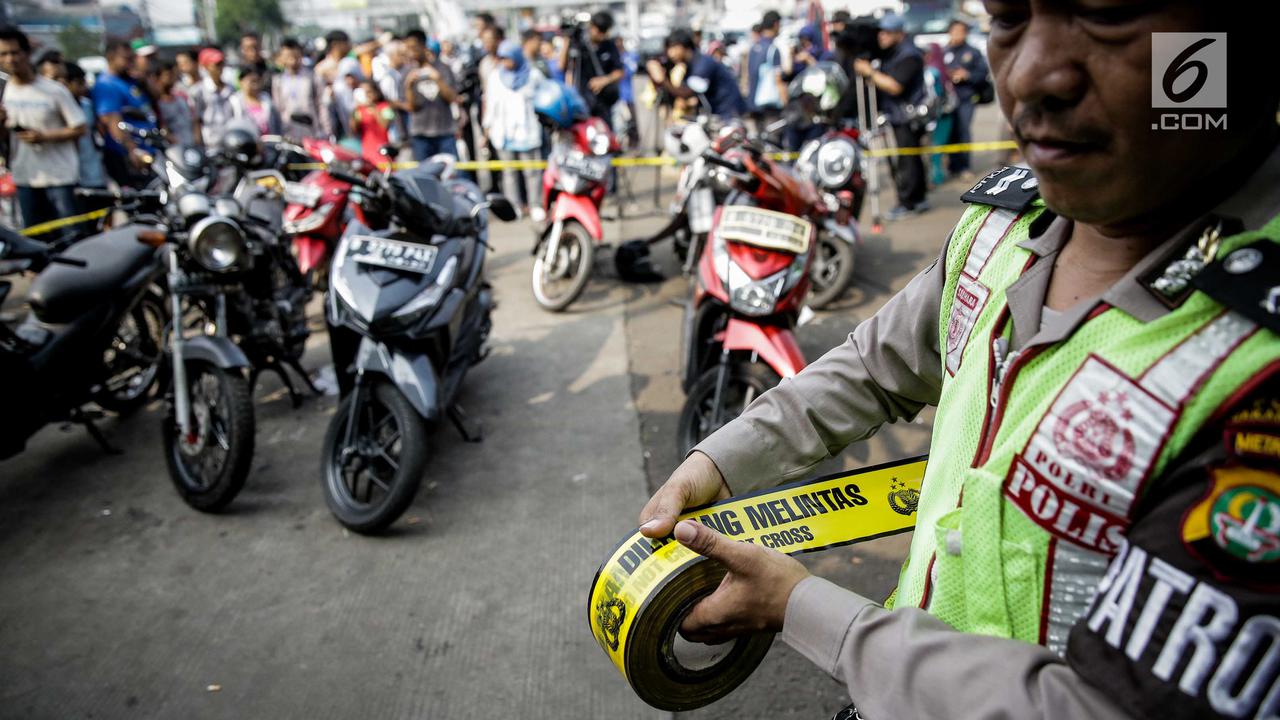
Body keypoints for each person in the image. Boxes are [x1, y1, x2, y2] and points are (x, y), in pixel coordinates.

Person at [637, 3, 1280, 719]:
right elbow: (874, 367)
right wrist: (719, 462)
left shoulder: (1258, 358)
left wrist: (802, 610)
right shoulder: (1001, 226)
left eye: (1106, 14)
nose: (1030, 75)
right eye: (1006, 17)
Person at [0, 27, 85, 239]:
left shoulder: (54, 90)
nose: (10, 59)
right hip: (25, 177)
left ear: (27, 53)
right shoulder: (4, 91)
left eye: (14, 52)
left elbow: (80, 127)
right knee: (36, 241)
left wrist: (44, 137)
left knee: (70, 237)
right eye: (4, 54)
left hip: (59, 178)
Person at [853, 13, 928, 219]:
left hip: (906, 117)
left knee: (907, 162)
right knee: (910, 160)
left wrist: (869, 72)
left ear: (899, 34)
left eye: (887, 33)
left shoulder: (909, 55)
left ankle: (910, 202)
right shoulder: (893, 52)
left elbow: (895, 86)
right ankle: (917, 199)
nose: (881, 37)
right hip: (899, 115)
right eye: (880, 32)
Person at [481, 39, 543, 219]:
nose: (505, 62)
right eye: (502, 58)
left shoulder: (533, 75)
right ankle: (514, 206)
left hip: (528, 131)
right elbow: (490, 106)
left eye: (508, 58)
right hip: (504, 133)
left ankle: (535, 205)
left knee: (532, 171)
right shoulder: (495, 78)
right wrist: (486, 132)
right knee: (509, 173)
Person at [91, 39, 155, 188]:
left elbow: (155, 98)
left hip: (148, 149)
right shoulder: (106, 84)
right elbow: (112, 120)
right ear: (111, 57)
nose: (130, 63)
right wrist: (132, 149)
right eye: (126, 59)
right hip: (127, 155)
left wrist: (144, 77)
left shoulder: (131, 80)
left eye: (132, 58)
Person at [648, 29, 745, 119]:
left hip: (728, 114)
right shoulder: (690, 66)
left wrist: (663, 80)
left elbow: (687, 93)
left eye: (673, 48)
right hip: (716, 114)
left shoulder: (702, 64)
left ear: (685, 46)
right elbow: (676, 93)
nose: (670, 54)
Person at [942, 18, 988, 180]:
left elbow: (983, 74)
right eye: (954, 31)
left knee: (963, 131)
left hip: (966, 99)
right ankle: (952, 166)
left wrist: (966, 75)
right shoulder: (943, 51)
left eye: (960, 32)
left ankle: (964, 167)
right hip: (946, 101)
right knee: (949, 133)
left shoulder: (973, 52)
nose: (957, 35)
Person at [560, 11, 625, 124]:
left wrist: (604, 80)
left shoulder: (609, 45)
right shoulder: (579, 43)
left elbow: (620, 71)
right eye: (599, 29)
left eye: (604, 31)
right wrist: (567, 39)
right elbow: (562, 65)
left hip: (603, 102)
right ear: (592, 26)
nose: (601, 34)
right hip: (582, 99)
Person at [403, 35, 457, 162]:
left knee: (451, 173)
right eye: (408, 49)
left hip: (444, 131)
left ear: (423, 47)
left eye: (413, 48)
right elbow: (411, 107)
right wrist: (409, 86)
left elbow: (451, 98)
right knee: (424, 175)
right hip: (420, 134)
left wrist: (438, 80)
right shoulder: (408, 72)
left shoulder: (442, 68)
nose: (411, 53)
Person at [60, 63, 107, 205]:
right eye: (78, 83)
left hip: (94, 170)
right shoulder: (58, 108)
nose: (83, 87)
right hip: (70, 175)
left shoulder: (87, 105)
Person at [745, 10, 789, 129]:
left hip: (753, 104)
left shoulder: (754, 48)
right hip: (770, 107)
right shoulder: (773, 50)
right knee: (772, 144)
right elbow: (778, 80)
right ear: (776, 24)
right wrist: (786, 103)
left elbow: (747, 75)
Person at [273, 37, 321, 139]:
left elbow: (321, 105)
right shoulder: (278, 81)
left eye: (295, 56)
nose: (292, 60)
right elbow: (278, 108)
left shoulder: (312, 78)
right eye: (288, 56)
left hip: (311, 132)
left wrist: (325, 131)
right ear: (281, 57)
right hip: (287, 133)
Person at [192, 47, 237, 147]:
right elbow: (196, 119)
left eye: (221, 64)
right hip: (211, 141)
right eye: (216, 65)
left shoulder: (230, 88)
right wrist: (199, 143)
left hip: (231, 139)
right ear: (206, 67)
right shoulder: (199, 90)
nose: (220, 68)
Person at [924, 44, 955, 186]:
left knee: (934, 148)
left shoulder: (931, 72)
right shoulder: (943, 71)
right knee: (938, 147)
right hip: (944, 115)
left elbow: (934, 97)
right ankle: (938, 175)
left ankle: (935, 178)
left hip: (936, 116)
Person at [148, 60, 198, 147]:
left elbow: (194, 120)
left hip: (192, 145)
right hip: (174, 148)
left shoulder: (182, 97)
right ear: (157, 78)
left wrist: (197, 138)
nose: (171, 78)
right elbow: (161, 127)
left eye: (173, 74)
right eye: (168, 75)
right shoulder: (156, 103)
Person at [350, 79, 395, 168]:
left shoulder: (384, 107)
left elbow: (385, 126)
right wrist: (354, 109)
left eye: (369, 92)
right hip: (368, 152)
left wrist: (373, 109)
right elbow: (354, 129)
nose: (367, 96)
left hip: (383, 151)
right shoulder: (359, 110)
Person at [230, 65, 280, 137]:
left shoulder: (267, 100)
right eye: (252, 81)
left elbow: (276, 125)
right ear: (241, 82)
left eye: (258, 81)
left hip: (267, 143)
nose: (255, 85)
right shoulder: (234, 101)